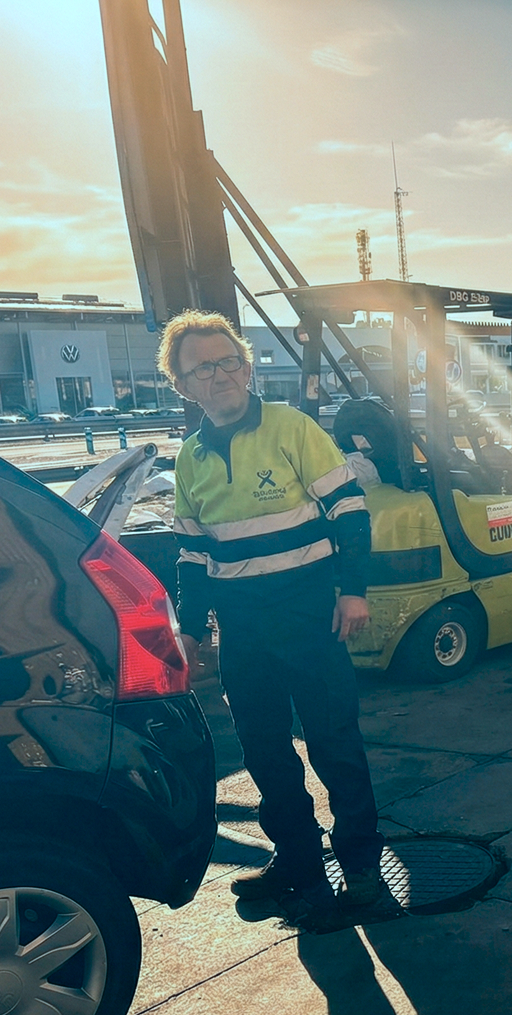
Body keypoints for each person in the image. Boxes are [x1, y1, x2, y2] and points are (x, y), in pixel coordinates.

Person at [159, 310, 384, 926]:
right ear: (183, 385)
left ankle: (363, 867)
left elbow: (349, 510)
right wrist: (190, 626)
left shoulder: (293, 428)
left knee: (335, 744)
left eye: (228, 360)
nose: (219, 374)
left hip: (310, 618)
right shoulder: (190, 459)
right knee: (264, 751)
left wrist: (353, 591)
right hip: (243, 631)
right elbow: (193, 553)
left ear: (247, 364)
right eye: (201, 367)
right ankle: (299, 861)